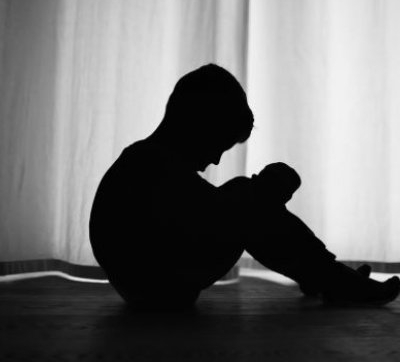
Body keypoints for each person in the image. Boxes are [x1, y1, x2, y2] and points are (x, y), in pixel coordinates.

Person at [89, 64, 400, 308]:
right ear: (199, 124)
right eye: (218, 145)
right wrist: (265, 193)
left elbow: (200, 213)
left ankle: (324, 277)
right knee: (248, 197)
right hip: (158, 285)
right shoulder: (151, 165)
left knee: (249, 198)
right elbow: (219, 213)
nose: (216, 160)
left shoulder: (145, 161)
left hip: (150, 285)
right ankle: (331, 279)